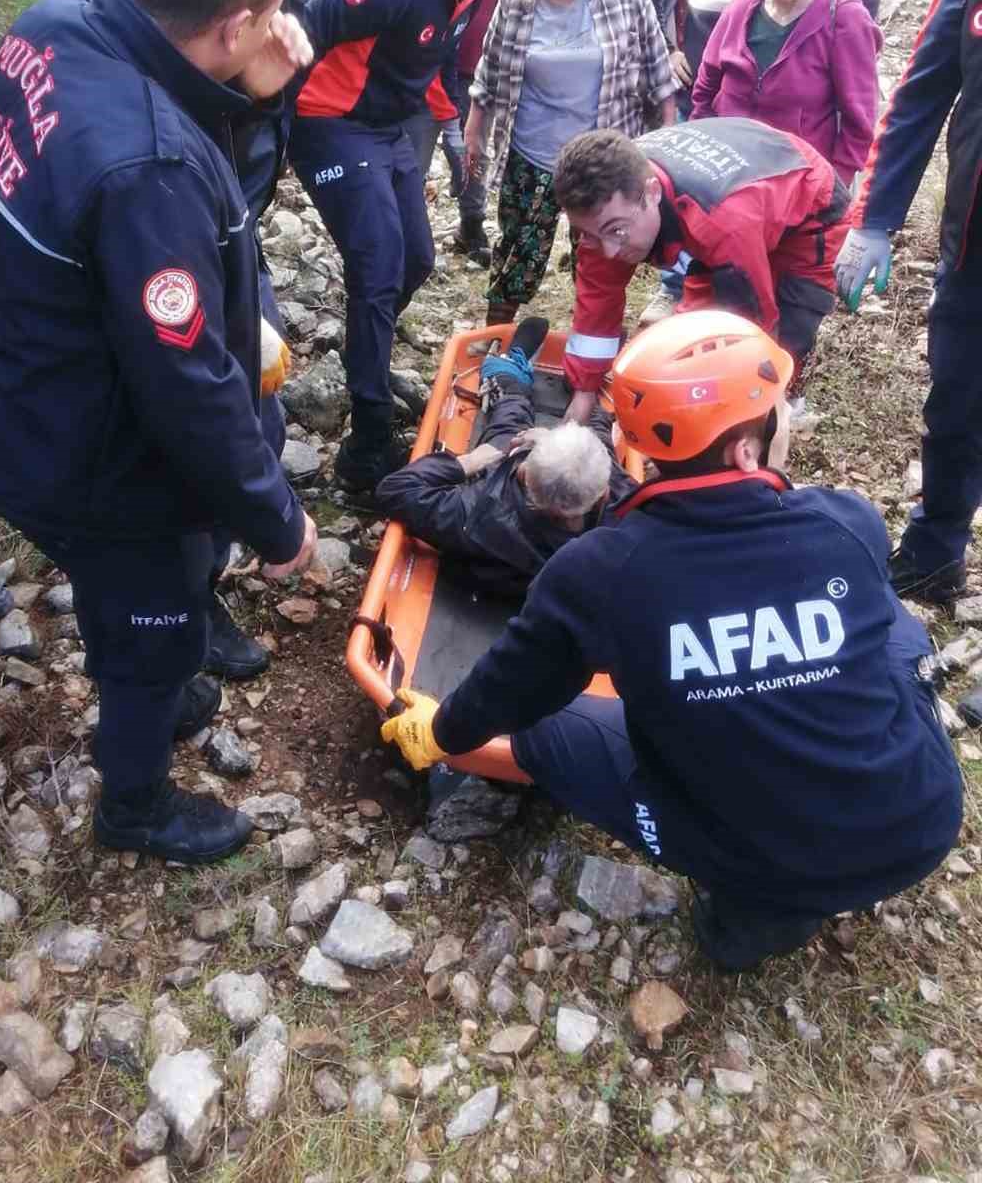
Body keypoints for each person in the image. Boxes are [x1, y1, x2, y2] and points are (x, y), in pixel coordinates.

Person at [381, 310, 963, 972]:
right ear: (746, 449)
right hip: (917, 824)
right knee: (897, 630)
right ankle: (791, 878)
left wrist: (443, 732)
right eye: (779, 411)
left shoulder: (598, 572)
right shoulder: (847, 521)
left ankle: (751, 915)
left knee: (539, 725)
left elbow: (509, 688)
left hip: (760, 857)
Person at [0, 0, 318, 865]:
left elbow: (165, 139)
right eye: (269, 14)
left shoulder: (51, 25)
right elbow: (187, 386)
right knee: (150, 614)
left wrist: (250, 99)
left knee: (141, 593)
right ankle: (136, 806)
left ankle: (163, 661)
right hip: (90, 451)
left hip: (8, 387)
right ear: (234, 24)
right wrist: (276, 519)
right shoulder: (146, 171)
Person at [101, 0, 382, 677]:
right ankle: (169, 620)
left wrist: (263, 96)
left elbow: (234, 132)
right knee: (185, 425)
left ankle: (202, 577)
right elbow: (154, 141)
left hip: (228, 230)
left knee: (253, 410)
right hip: (163, 243)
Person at [292, 0, 549, 490]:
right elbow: (300, 31)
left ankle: (365, 347)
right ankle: (366, 446)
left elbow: (429, 65)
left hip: (384, 124)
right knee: (378, 267)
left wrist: (457, 140)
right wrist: (266, 134)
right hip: (329, 121)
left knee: (417, 259)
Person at [639, 0, 879, 321]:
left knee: (777, 300)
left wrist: (833, 191)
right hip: (726, 174)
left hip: (796, 183)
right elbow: (703, 80)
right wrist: (666, 51)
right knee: (716, 274)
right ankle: (683, 299)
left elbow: (859, 119)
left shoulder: (840, 10)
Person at [836, 0, 982, 604]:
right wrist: (875, 218)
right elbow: (922, 89)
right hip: (973, 240)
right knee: (956, 397)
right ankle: (935, 551)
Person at [463, 0, 675, 328]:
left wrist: (667, 139)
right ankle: (497, 332)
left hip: (605, 155)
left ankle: (594, 339)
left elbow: (658, 69)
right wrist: (475, 130)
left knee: (601, 258)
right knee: (518, 249)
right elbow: (491, 67)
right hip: (533, 151)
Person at [552, 119, 849, 426]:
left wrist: (747, 413)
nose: (609, 251)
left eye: (617, 231)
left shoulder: (723, 223)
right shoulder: (603, 214)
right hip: (739, 204)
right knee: (691, 339)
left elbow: (753, 327)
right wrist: (583, 392)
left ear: (652, 192)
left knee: (780, 339)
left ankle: (785, 409)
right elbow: (596, 307)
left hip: (809, 210)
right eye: (590, 234)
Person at [374, 316, 636, 592]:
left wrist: (470, 461)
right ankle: (586, 385)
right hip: (568, 535)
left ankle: (510, 371)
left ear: (522, 473)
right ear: (604, 494)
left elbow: (396, 488)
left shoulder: (475, 513)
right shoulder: (625, 521)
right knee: (596, 430)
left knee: (509, 421)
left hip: (501, 520)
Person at [691, 0, 882, 185]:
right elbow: (706, 85)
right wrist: (703, 147)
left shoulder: (844, 18)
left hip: (798, 180)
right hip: (728, 170)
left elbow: (859, 119)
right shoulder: (740, 8)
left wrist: (833, 185)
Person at [405, 0, 498, 267]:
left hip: (479, 68)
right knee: (415, 153)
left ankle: (472, 224)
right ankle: (408, 231)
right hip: (425, 71)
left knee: (474, 150)